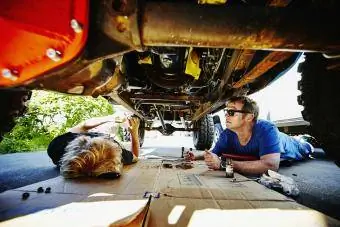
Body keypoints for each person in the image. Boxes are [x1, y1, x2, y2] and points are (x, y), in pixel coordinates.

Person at [186, 96, 313, 175]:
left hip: (292, 146)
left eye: (231, 112)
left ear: (249, 117)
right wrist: (195, 157)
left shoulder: (267, 129)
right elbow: (213, 153)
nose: (226, 115)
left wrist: (223, 164)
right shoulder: (227, 135)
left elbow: (271, 165)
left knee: (306, 147)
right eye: (226, 111)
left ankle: (308, 142)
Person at [47, 114, 140, 178]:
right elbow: (135, 156)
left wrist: (110, 118)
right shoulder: (119, 153)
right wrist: (134, 133)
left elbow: (83, 126)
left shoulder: (57, 145)